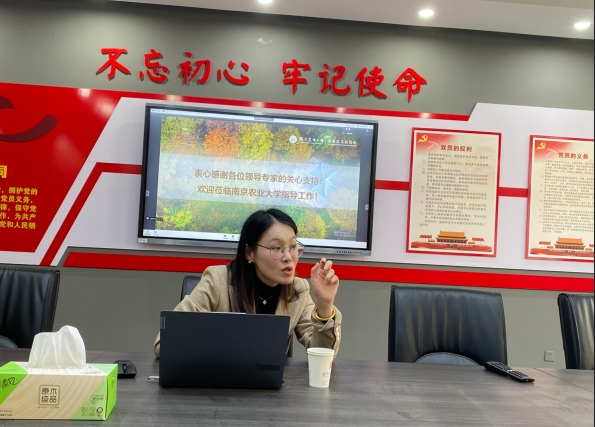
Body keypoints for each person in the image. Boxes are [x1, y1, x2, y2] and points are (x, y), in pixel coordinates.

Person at [153, 208, 341, 358]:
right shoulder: (217, 280)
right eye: (277, 248)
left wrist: (325, 305)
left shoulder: (298, 290)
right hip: (220, 386)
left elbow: (323, 353)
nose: (288, 257)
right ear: (249, 253)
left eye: (293, 246)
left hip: (271, 389)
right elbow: (164, 344)